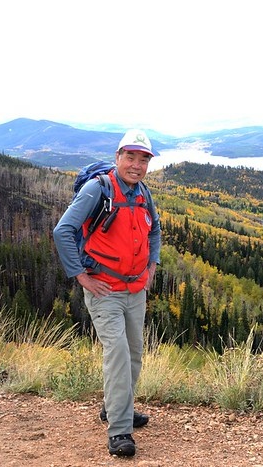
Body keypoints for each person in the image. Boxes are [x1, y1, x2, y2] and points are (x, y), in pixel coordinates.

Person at [53, 128, 161, 457]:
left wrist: (152, 266)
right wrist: (81, 277)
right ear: (117, 157)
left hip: (135, 289)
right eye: (131, 157)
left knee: (134, 354)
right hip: (104, 290)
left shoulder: (143, 192)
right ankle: (119, 431)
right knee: (117, 355)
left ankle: (115, 407)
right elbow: (63, 230)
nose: (137, 165)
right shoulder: (96, 190)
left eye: (143, 159)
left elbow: (154, 229)